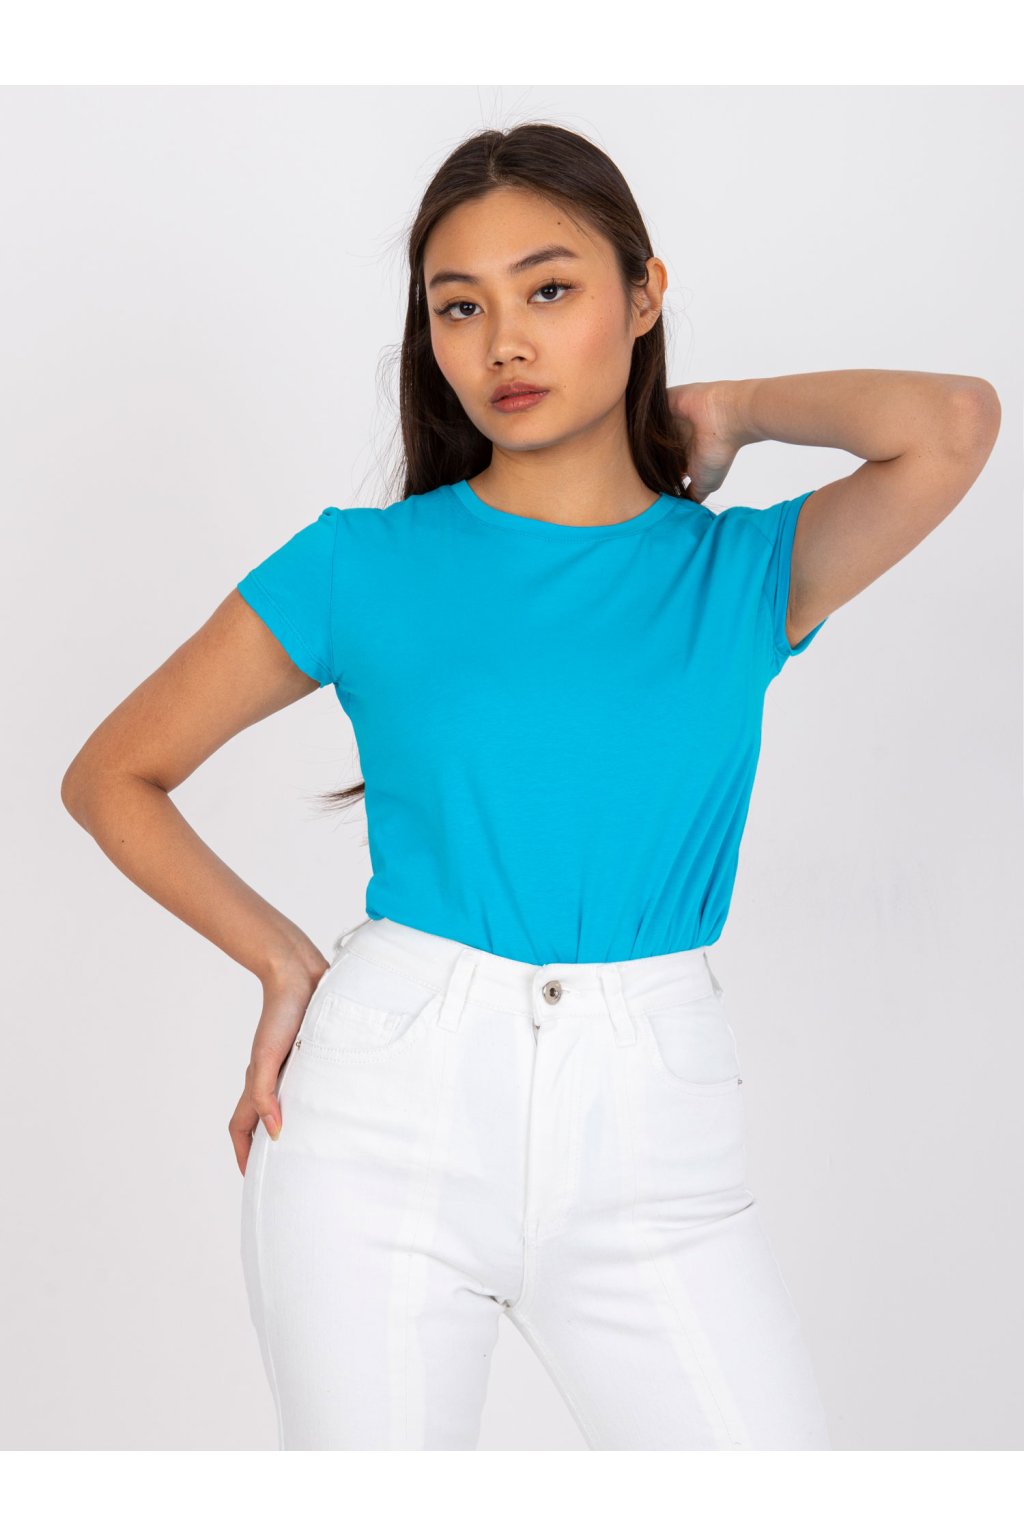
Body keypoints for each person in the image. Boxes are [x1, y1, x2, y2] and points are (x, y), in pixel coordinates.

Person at [60, 121, 1000, 1452]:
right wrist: (280, 959)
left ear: (643, 293)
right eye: (461, 307)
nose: (504, 342)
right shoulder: (361, 564)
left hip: (655, 1140)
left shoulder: (735, 573)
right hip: (381, 1118)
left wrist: (729, 409)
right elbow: (114, 775)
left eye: (550, 290)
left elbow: (954, 423)